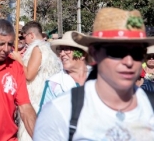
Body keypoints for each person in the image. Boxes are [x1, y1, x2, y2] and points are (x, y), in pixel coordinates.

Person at [34, 7, 154, 140]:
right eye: (117, 52)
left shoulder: (150, 108)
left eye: (137, 53)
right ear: (94, 53)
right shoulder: (60, 112)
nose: (129, 61)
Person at [10, 21, 61, 140]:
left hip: (35, 100)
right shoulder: (47, 48)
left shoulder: (38, 48)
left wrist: (19, 60)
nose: (23, 39)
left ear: (31, 35)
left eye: (24, 36)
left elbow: (29, 75)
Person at [38, 31, 91, 110]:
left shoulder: (100, 77)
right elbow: (44, 117)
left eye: (67, 49)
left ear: (83, 54)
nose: (62, 54)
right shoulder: (54, 84)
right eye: (61, 49)